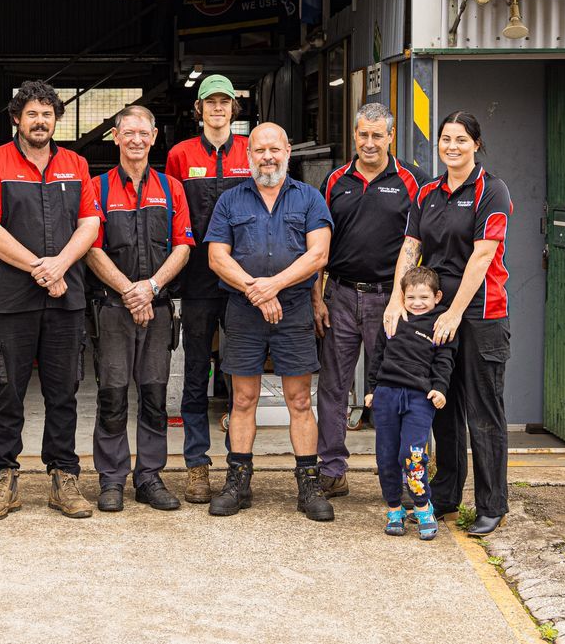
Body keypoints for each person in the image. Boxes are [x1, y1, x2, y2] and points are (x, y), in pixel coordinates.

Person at [0, 80, 103, 520]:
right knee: (7, 391)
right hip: (11, 300)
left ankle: (64, 476)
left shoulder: (76, 164)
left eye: (47, 113)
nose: (40, 121)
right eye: (32, 113)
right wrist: (39, 269)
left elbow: (89, 225)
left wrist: (59, 266)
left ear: (56, 119)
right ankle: (4, 476)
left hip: (66, 299)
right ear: (16, 119)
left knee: (64, 392)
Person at [386, 111, 513, 535]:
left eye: (461, 139)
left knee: (483, 412)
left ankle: (492, 505)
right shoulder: (428, 193)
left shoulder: (491, 190)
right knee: (442, 405)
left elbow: (482, 255)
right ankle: (445, 497)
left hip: (479, 314)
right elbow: (411, 246)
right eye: (445, 139)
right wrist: (395, 300)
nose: (452, 147)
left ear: (476, 144)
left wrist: (456, 313)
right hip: (438, 313)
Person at [203, 122, 335, 522]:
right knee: (242, 399)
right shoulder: (230, 201)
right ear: (248, 155)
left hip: (293, 309)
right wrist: (255, 292)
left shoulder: (309, 199)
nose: (268, 157)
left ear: (288, 151)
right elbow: (217, 257)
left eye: (274, 149)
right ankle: (238, 482)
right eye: (260, 150)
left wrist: (273, 287)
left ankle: (309, 484)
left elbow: (318, 256)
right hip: (244, 311)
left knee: (299, 400)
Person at [83, 104, 193, 512]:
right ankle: (111, 479)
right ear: (115, 136)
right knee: (111, 395)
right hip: (112, 308)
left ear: (153, 137)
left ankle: (148, 476)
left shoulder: (171, 188)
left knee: (154, 394)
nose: (136, 140)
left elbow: (183, 246)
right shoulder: (97, 188)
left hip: (159, 307)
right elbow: (90, 248)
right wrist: (130, 290)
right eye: (127, 132)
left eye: (143, 133)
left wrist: (150, 287)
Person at [313, 102, 425, 497]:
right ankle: (331, 469)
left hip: (388, 301)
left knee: (394, 389)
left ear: (391, 137)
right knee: (332, 386)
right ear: (355, 135)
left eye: (378, 135)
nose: (370, 143)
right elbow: (318, 244)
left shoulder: (413, 181)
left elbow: (418, 245)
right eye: (363, 134)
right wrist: (317, 297)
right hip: (340, 295)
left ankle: (396, 476)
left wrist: (403, 300)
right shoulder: (335, 180)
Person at [164, 74, 252, 503]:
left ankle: (239, 464)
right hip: (198, 280)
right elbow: (172, 210)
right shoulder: (180, 155)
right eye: (210, 102)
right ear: (199, 109)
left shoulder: (250, 151)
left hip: (240, 280)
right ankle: (197, 466)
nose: (218, 109)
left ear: (233, 108)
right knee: (197, 372)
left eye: (224, 102)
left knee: (240, 374)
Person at [364, 266, 456, 540]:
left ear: (437, 297)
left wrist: (440, 388)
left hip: (419, 398)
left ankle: (422, 506)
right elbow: (377, 355)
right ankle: (394, 509)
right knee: (387, 457)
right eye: (411, 297)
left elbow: (444, 360)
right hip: (387, 394)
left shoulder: (440, 323)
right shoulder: (394, 318)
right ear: (401, 297)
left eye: (424, 298)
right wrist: (371, 389)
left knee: (412, 455)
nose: (417, 303)